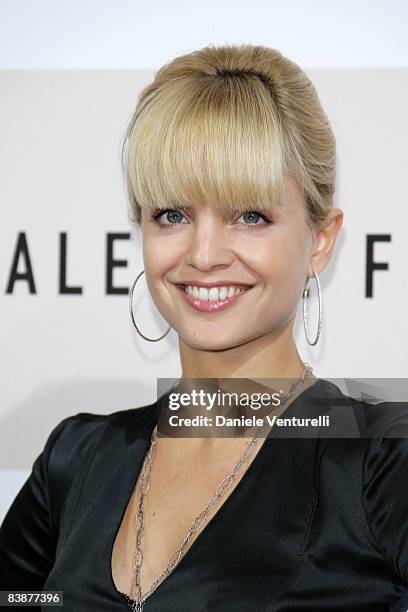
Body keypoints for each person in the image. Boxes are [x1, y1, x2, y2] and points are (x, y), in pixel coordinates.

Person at [1, 43, 407, 612]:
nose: (205, 253)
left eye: (250, 215)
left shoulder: (380, 457)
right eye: (172, 215)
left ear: (320, 240)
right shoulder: (76, 458)